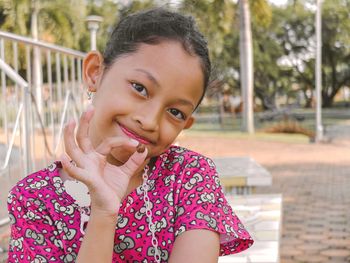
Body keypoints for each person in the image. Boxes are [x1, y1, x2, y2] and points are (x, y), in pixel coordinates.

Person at [7, 8, 253, 262]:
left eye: (175, 112)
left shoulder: (189, 177)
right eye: (140, 88)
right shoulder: (34, 198)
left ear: (186, 124)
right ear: (95, 73)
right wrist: (103, 213)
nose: (149, 121)